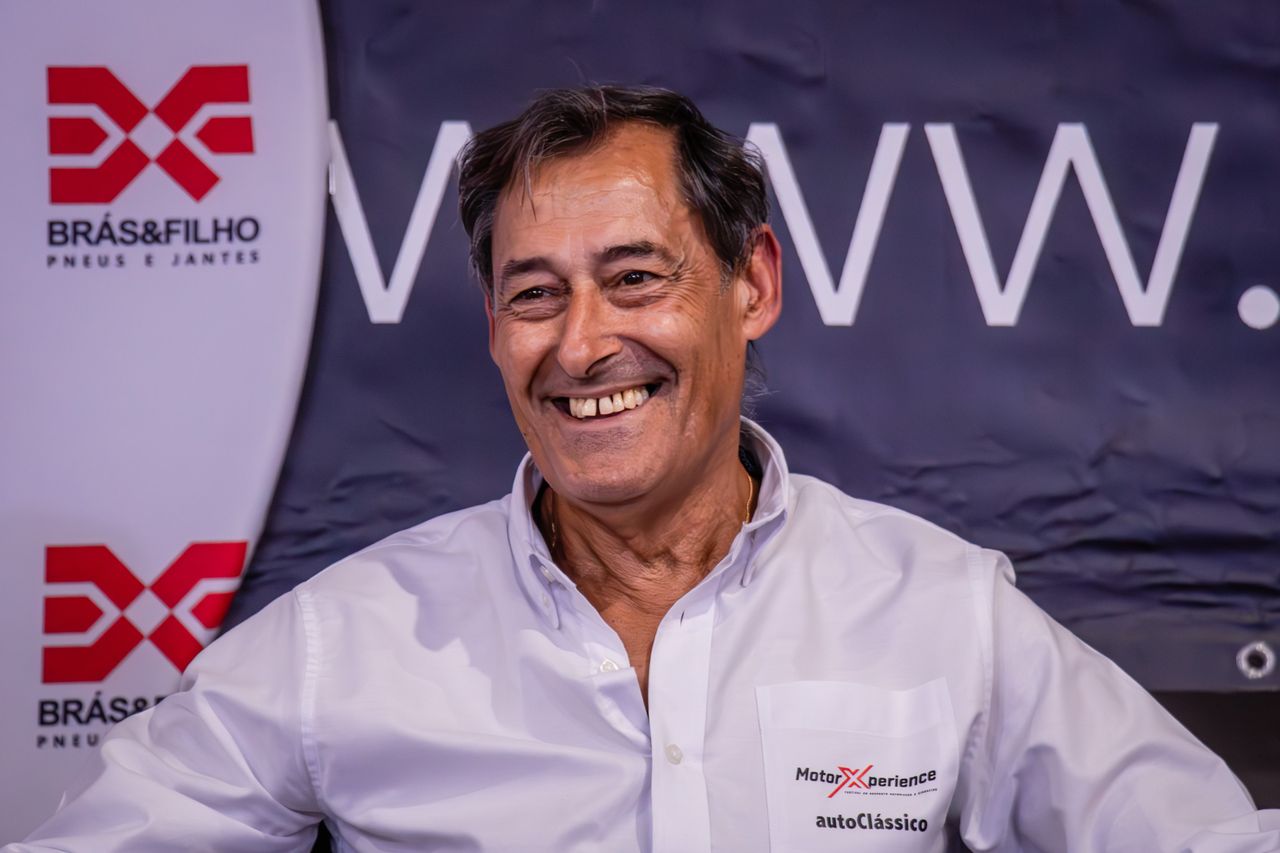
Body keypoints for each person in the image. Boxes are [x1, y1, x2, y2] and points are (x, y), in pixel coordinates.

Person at [8, 86, 1278, 853]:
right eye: (533, 295)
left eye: (633, 278)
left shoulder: (937, 609)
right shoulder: (343, 643)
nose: (580, 345)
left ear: (750, 284)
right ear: (492, 329)